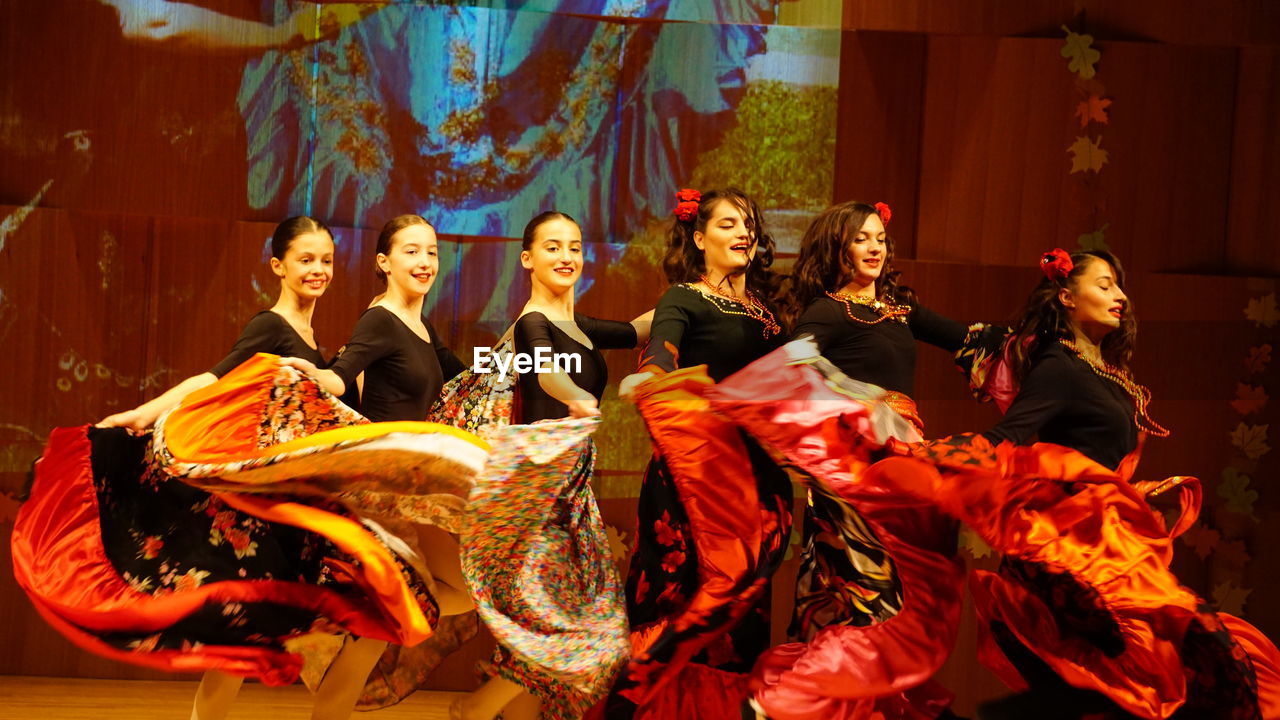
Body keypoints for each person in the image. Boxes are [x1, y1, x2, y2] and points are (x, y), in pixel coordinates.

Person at [14, 217, 467, 720]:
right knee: (242, 639)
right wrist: (147, 413)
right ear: (278, 266)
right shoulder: (272, 326)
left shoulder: (315, 335)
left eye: (326, 261)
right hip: (275, 509)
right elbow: (211, 378)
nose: (318, 270)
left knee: (271, 636)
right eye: (306, 260)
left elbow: (374, 390)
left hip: (300, 502)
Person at [864, 249, 1280, 719]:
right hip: (1068, 544)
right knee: (1183, 655)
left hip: (1112, 541)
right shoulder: (1058, 366)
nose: (1120, 296)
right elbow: (1007, 437)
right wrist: (918, 458)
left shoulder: (1107, 372)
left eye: (1120, 286)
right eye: (1104, 285)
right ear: (1065, 297)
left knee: (1187, 664)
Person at [725, 200, 971, 719]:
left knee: (889, 588)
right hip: (852, 473)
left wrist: (1036, 335)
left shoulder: (901, 310)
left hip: (903, 465)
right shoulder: (827, 311)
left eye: (880, 237)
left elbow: (968, 337)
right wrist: (860, 400)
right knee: (867, 588)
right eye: (862, 238)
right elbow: (793, 361)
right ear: (839, 247)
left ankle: (853, 704)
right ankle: (792, 698)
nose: (875, 247)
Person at [452, 210, 650, 720]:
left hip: (571, 489)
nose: (566, 256)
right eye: (553, 247)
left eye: (574, 246)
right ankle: (471, 711)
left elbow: (635, 330)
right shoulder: (531, 324)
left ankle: (478, 712)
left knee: (556, 633)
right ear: (528, 259)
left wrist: (695, 296)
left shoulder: (578, 325)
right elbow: (546, 377)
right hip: (538, 494)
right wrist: (577, 397)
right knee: (570, 631)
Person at [607, 187, 790, 720]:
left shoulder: (771, 312)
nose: (743, 233)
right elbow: (662, 352)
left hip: (759, 478)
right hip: (695, 477)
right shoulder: (684, 297)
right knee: (682, 598)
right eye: (729, 224)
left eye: (749, 224)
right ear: (698, 236)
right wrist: (653, 378)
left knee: (741, 615)